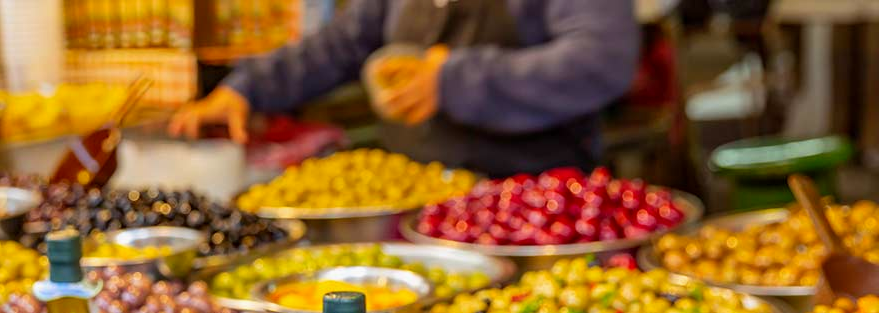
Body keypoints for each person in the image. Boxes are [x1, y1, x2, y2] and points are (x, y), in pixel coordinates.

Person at [169, 0, 641, 176]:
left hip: (536, 206)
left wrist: (456, 80)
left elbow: (602, 58)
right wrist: (249, 88)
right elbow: (342, 43)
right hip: (416, 204)